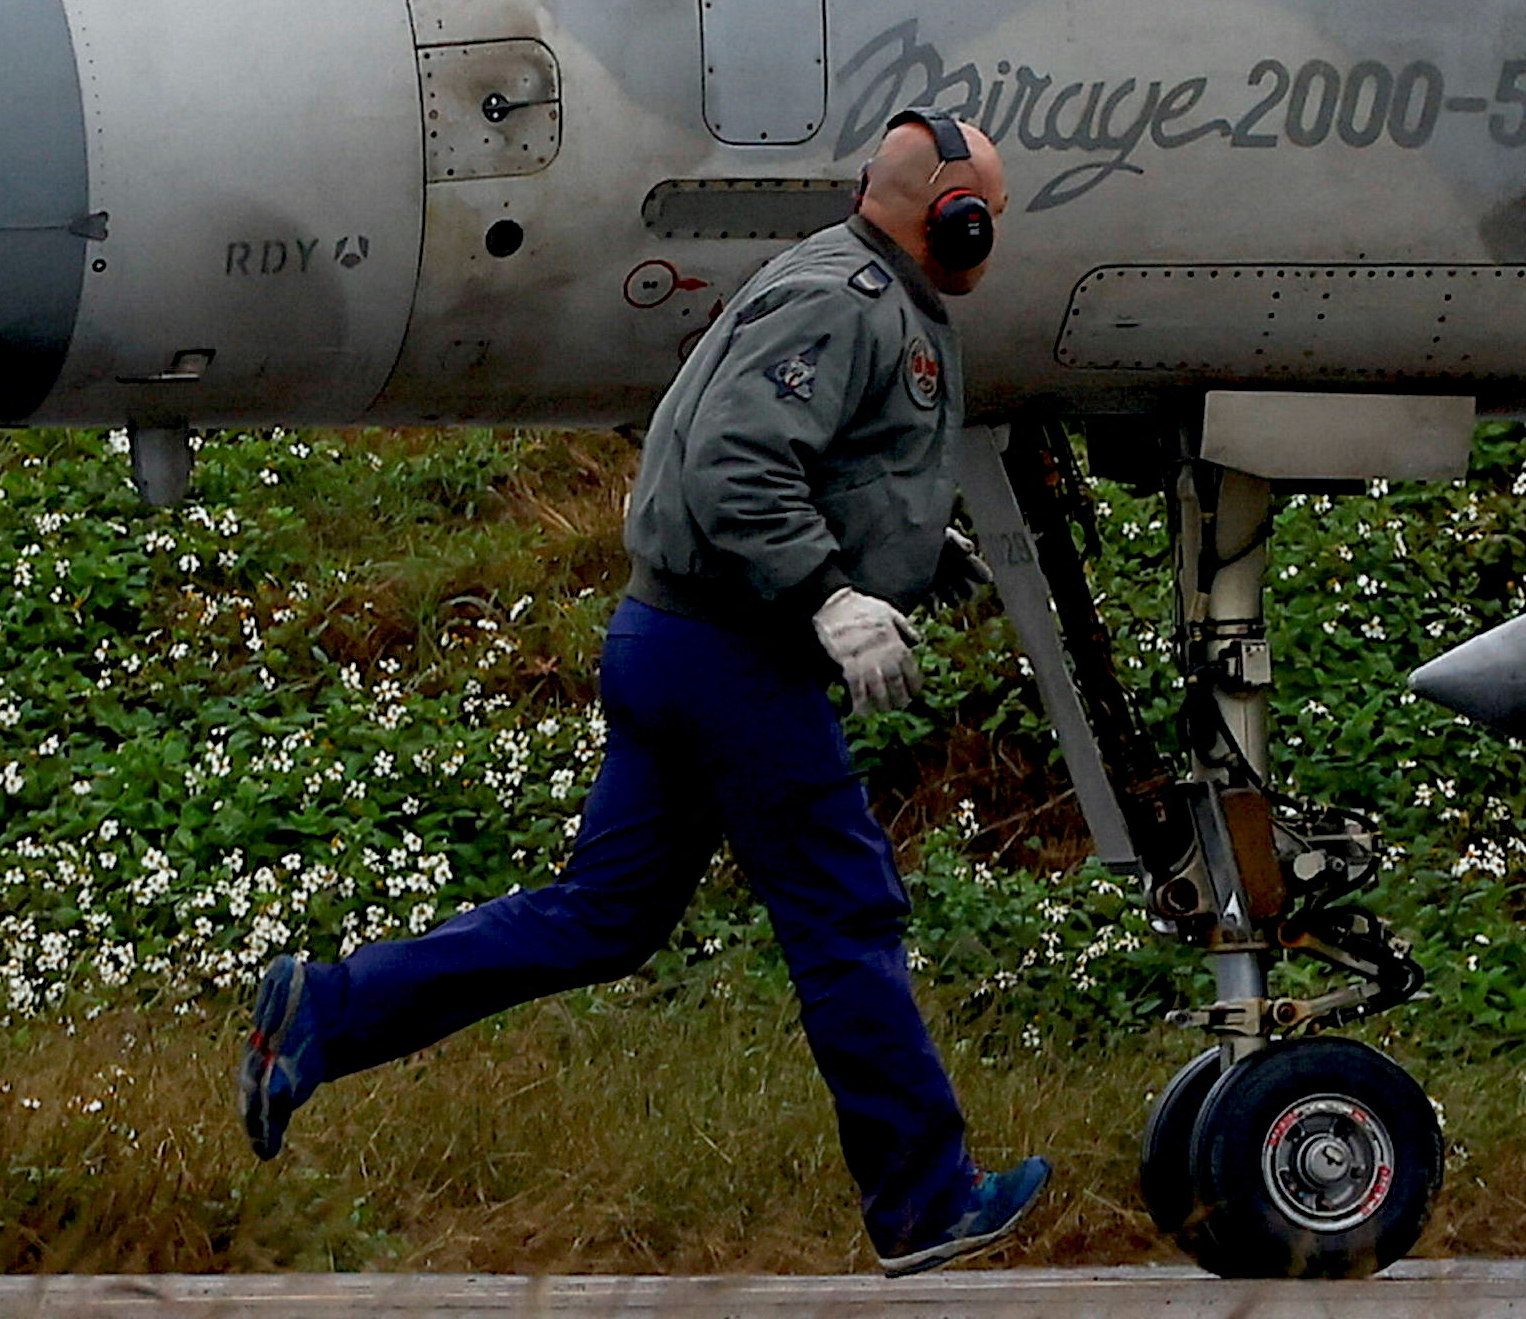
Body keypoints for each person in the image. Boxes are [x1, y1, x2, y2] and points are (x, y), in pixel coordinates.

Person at [237, 109, 1053, 1279]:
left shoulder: (854, 289)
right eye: (989, 217)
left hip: (675, 637)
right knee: (843, 915)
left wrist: (915, 559)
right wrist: (827, 594)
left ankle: (326, 1011)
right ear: (951, 217)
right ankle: (926, 1203)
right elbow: (735, 461)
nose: (992, 239)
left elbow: (825, 456)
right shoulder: (846, 301)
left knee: (604, 917)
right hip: (736, 654)